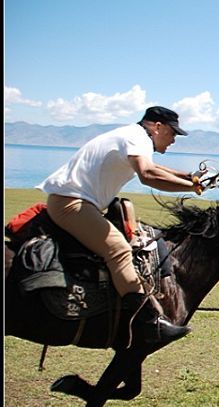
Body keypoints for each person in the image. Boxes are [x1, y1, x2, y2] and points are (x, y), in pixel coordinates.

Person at [36, 106, 205, 346]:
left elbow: (154, 168)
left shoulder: (134, 136)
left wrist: (189, 177)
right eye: (173, 133)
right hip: (71, 204)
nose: (174, 140)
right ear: (157, 127)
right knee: (118, 250)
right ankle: (147, 323)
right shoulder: (137, 137)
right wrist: (191, 188)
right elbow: (147, 174)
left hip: (78, 202)